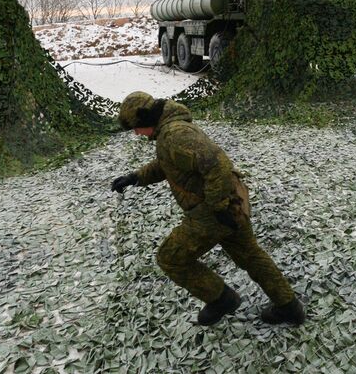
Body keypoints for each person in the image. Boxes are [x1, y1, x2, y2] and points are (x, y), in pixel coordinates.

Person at [111, 91, 305, 325]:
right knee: (251, 255)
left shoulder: (175, 134)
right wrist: (135, 177)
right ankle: (289, 307)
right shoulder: (171, 129)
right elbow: (169, 163)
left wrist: (217, 207)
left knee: (170, 258)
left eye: (136, 128)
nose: (137, 133)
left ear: (145, 119)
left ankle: (221, 299)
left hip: (212, 211)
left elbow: (218, 164)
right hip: (231, 203)